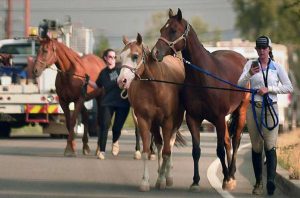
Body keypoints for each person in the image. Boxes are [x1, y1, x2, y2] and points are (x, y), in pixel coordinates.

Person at [238, 36, 293, 195]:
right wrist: (249, 74)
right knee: (256, 146)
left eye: (264, 48)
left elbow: (288, 86)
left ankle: (270, 180)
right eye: (259, 48)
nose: (262, 51)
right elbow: (240, 84)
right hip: (253, 108)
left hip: (270, 108)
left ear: (269, 49)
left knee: (270, 145)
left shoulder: (276, 67)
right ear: (256, 50)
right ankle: (257, 183)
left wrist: (270, 89)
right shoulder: (250, 64)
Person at [89, 49, 130, 160]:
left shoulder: (120, 70)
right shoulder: (103, 73)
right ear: (106, 58)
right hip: (108, 102)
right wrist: (87, 81)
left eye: (114, 57)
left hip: (122, 103)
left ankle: (115, 141)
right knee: (104, 125)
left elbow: (128, 80)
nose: (113, 59)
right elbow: (97, 86)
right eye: (110, 57)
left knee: (117, 128)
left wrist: (124, 82)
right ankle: (102, 151)